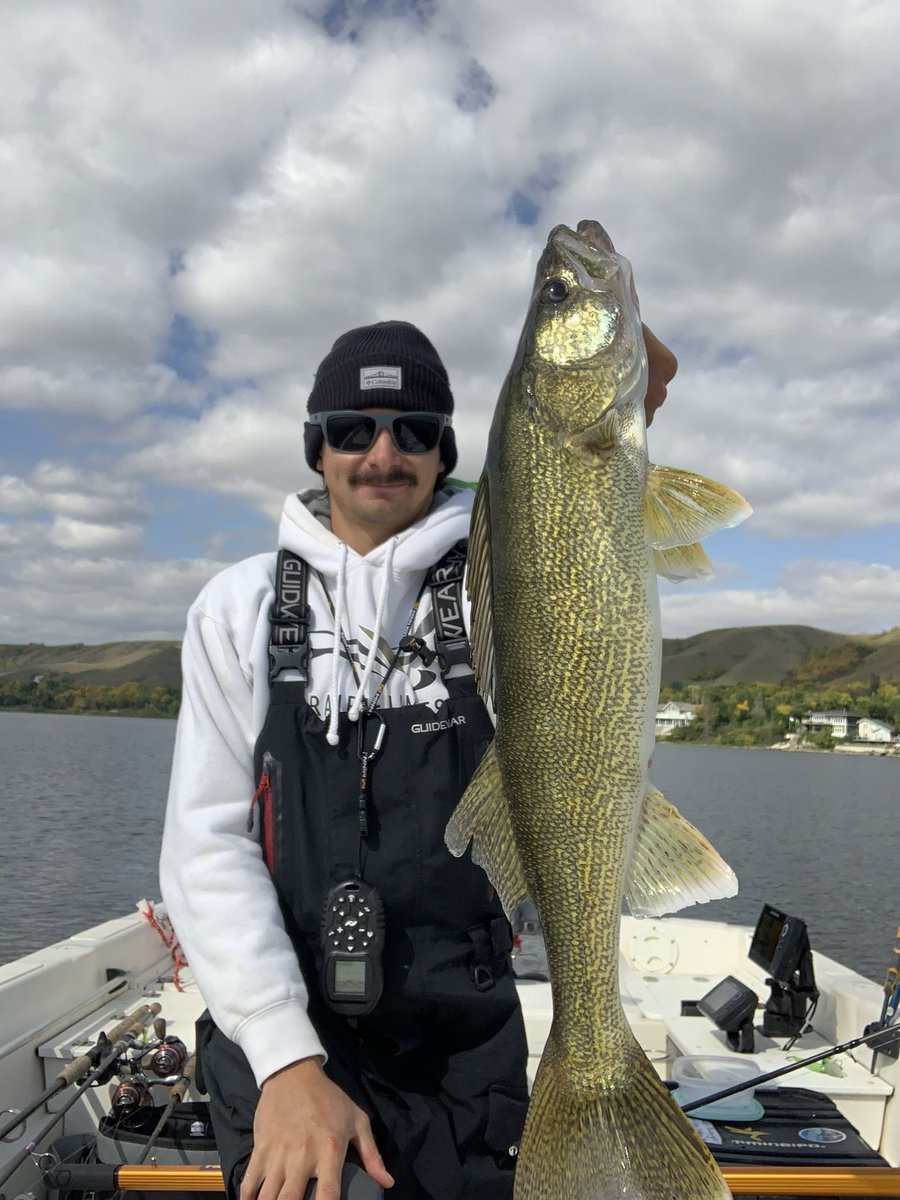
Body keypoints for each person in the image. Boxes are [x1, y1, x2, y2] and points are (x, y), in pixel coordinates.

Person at [159, 319, 676, 1200]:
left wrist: (620, 374)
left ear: (445, 453)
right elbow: (207, 845)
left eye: (414, 430)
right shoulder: (237, 607)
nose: (382, 453)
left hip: (464, 1040)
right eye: (353, 429)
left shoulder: (509, 583)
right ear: (318, 448)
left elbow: (581, 523)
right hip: (289, 1025)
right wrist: (286, 1061)